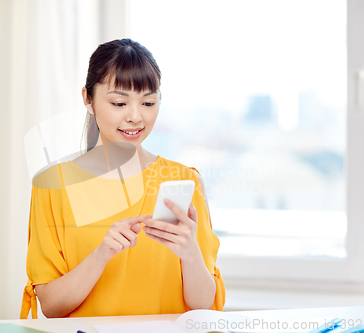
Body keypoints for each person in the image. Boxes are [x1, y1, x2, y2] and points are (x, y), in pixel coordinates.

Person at [20, 38, 225, 319]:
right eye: (119, 102)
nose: (135, 117)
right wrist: (102, 253)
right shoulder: (53, 185)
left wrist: (190, 252)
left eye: (149, 102)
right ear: (88, 99)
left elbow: (203, 307)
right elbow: (52, 307)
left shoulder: (183, 180)